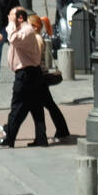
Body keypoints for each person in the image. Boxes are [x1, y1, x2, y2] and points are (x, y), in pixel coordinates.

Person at [0, 7, 47, 148]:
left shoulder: (27, 31)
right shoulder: (22, 30)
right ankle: (40, 138)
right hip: (29, 74)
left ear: (20, 18)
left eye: (11, 16)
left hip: (27, 74)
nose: (8, 17)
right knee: (35, 108)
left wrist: (11, 24)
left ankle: (9, 138)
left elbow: (13, 39)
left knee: (17, 107)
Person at [27, 13, 70, 142]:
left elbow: (36, 58)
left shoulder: (38, 39)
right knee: (49, 104)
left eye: (28, 25)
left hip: (39, 75)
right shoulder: (35, 38)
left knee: (34, 105)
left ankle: (58, 131)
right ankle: (61, 130)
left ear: (35, 27)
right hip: (39, 75)